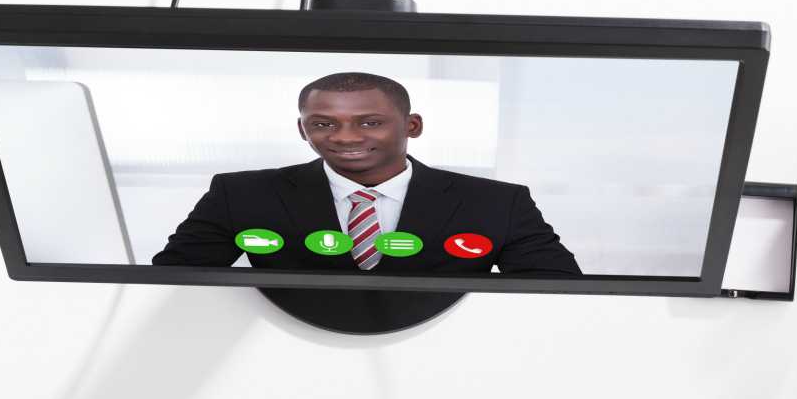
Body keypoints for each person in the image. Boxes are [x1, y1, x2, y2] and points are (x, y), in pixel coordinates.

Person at [151, 71, 582, 276]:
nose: (345, 136)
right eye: (323, 123)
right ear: (302, 130)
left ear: (412, 126)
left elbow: (557, 297)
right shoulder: (239, 194)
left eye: (370, 122)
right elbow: (172, 287)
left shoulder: (498, 203)